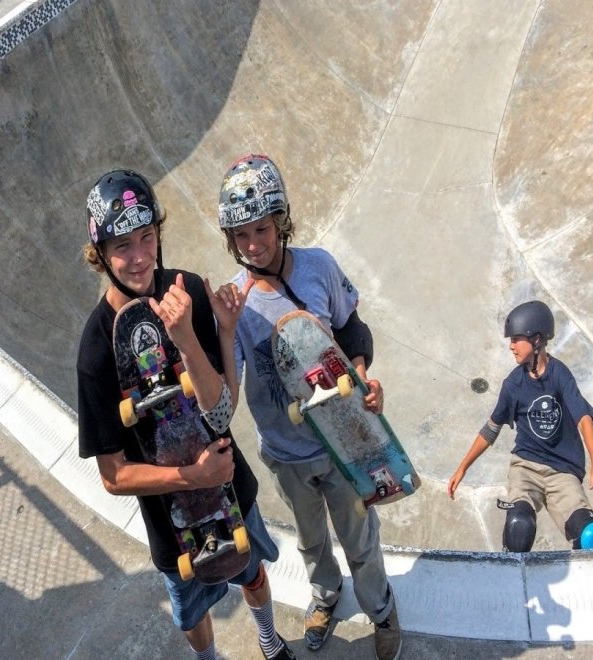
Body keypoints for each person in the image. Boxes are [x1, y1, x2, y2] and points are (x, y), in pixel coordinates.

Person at [75, 169, 295, 660]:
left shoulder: (187, 290)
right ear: (100, 254)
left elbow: (221, 411)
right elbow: (113, 475)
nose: (139, 257)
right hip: (171, 521)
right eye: (122, 246)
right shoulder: (95, 350)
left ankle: (268, 639)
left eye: (146, 237)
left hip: (230, 489)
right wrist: (191, 477)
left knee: (251, 573)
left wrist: (194, 338)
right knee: (192, 613)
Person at [208, 154, 401, 659]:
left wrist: (362, 378)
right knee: (311, 541)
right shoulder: (235, 302)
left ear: (281, 221)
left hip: (341, 444)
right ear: (230, 239)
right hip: (284, 453)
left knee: (359, 539)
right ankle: (326, 595)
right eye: (242, 235)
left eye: (262, 229)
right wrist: (224, 331)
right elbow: (226, 394)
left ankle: (381, 609)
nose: (254, 244)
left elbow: (352, 329)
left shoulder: (318, 267)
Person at [448, 300, 593, 552]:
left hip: (563, 471)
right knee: (519, 525)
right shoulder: (513, 385)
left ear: (536, 340)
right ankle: (512, 568)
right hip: (525, 467)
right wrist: (462, 468)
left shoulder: (560, 374)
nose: (511, 346)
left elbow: (584, 419)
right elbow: (490, 430)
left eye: (516, 339)